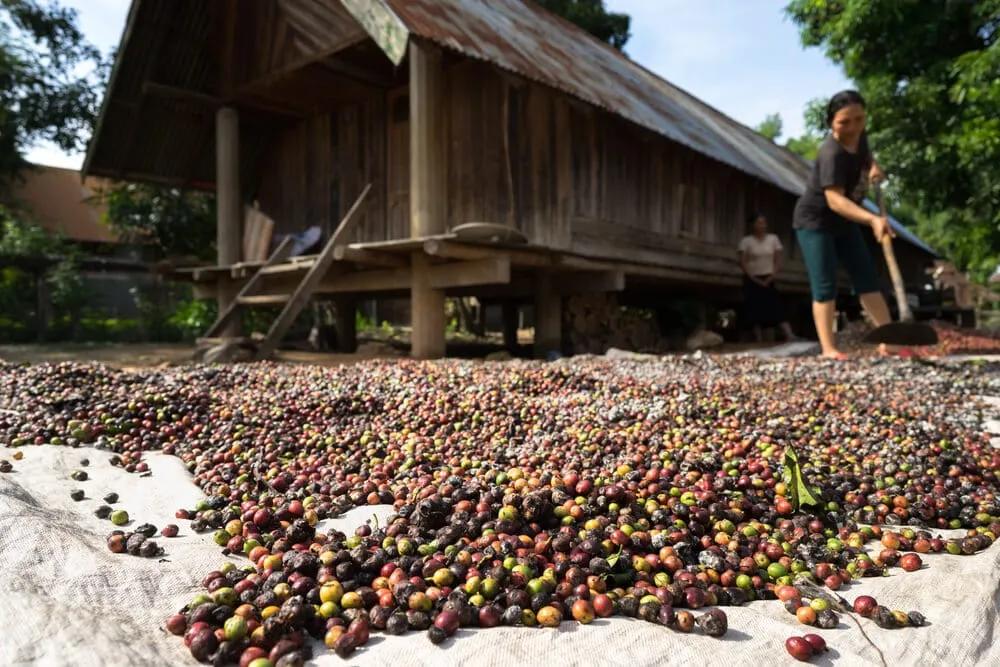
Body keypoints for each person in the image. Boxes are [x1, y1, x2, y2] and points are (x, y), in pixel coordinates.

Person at [793, 90, 895, 360]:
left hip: (844, 221)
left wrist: (874, 167)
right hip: (815, 222)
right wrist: (873, 219)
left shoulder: (860, 136)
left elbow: (865, 154)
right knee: (825, 284)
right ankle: (829, 349)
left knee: (866, 277)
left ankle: (890, 340)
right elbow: (835, 201)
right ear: (831, 123)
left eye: (859, 119)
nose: (853, 128)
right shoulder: (831, 154)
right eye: (844, 122)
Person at [738, 213, 798, 342]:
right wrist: (753, 278)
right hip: (752, 278)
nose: (762, 225)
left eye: (764, 223)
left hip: (769, 277)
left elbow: (778, 260)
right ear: (753, 225)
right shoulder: (746, 241)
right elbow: (743, 262)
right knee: (753, 308)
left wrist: (771, 276)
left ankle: (789, 334)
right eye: (759, 223)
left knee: (776, 306)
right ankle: (758, 338)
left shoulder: (773, 239)